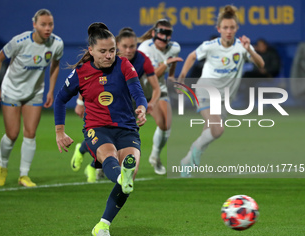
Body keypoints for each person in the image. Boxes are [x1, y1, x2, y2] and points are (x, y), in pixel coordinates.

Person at [54, 23, 147, 236]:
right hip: (97, 128)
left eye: (112, 50)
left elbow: (138, 92)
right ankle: (121, 176)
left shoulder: (124, 65)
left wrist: (142, 108)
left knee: (129, 178)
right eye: (103, 51)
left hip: (127, 128)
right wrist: (60, 132)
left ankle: (102, 226)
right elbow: (60, 99)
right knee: (109, 156)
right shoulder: (81, 73)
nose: (108, 56)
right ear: (91, 51)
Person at [178, 5, 264, 176]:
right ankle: (192, 153)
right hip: (205, 91)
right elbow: (192, 56)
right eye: (225, 28)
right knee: (217, 129)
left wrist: (249, 50)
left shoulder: (242, 47)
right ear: (219, 29)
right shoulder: (210, 46)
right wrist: (182, 77)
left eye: (232, 27)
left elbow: (261, 64)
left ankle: (187, 161)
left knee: (210, 132)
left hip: (225, 99)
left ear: (237, 28)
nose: (229, 31)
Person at [72, 27, 161, 181]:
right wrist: (80, 102)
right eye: (125, 46)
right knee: (105, 138)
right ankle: (84, 152)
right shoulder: (108, 59)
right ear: (117, 45)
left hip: (128, 105)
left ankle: (95, 167)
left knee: (116, 141)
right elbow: (88, 80)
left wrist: (149, 104)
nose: (128, 50)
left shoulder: (142, 60)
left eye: (132, 46)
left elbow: (156, 87)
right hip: (106, 104)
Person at [0, 9, 64, 187]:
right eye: (43, 24)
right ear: (34, 25)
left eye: (50, 24)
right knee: (12, 134)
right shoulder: (20, 41)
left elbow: (55, 66)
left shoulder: (57, 43)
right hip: (12, 91)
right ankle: (3, 166)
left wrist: (50, 91)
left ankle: (24, 175)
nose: (47, 28)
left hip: (35, 92)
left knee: (30, 133)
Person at [138, 19, 183, 174]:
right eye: (161, 33)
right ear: (153, 34)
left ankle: (155, 156)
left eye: (167, 33)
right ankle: (100, 164)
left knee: (166, 125)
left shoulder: (174, 47)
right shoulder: (145, 48)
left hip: (160, 89)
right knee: (119, 127)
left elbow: (173, 61)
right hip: (141, 90)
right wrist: (165, 63)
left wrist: (171, 76)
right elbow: (152, 75)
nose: (164, 37)